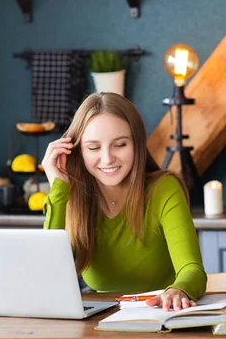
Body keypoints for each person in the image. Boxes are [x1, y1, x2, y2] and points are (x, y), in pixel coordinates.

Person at [41, 92, 207, 311]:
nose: (108, 158)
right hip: (99, 320)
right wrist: (58, 189)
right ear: (78, 150)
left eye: (120, 145)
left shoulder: (164, 189)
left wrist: (179, 291)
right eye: (93, 148)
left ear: (137, 144)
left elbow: (192, 269)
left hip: (162, 316)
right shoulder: (72, 195)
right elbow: (48, 276)